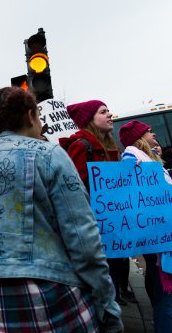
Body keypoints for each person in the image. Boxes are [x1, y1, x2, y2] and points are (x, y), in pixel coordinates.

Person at [0, 87, 122, 333]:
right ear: (30, 115)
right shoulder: (50, 154)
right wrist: (107, 304)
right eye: (40, 117)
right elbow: (82, 237)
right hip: (52, 293)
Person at [58, 100, 130, 306]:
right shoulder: (81, 147)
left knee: (114, 276)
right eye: (103, 111)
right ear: (90, 119)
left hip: (113, 226)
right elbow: (73, 191)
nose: (110, 114)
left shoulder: (110, 146)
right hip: (95, 229)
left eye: (108, 110)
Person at [118, 120, 172, 332]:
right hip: (158, 236)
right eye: (149, 131)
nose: (153, 133)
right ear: (139, 138)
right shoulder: (132, 158)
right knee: (164, 295)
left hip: (162, 232)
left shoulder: (148, 159)